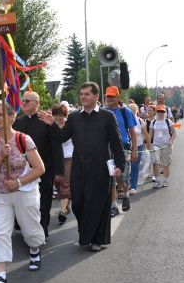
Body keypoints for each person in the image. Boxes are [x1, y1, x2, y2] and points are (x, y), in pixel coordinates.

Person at [39, 82, 125, 252]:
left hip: (100, 168)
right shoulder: (74, 117)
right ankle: (87, 233)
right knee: (78, 203)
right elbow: (62, 137)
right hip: (79, 167)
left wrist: (120, 165)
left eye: (87, 94)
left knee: (98, 204)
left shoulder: (107, 116)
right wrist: (52, 124)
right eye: (81, 94)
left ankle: (97, 240)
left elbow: (117, 143)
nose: (83, 97)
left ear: (96, 96)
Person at [0, 100, 46, 283]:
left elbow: (40, 168)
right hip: (0, 195)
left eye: (1, 114)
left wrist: (18, 182)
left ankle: (34, 249)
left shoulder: (23, 139)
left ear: (11, 117)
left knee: (30, 230)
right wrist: (0, 156)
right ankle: (1, 276)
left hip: (24, 192)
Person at [13, 91, 64, 237]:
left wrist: (59, 171)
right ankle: (26, 229)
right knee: (24, 202)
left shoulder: (46, 120)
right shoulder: (17, 122)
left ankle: (41, 231)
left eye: (27, 101)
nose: (24, 103)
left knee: (42, 201)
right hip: (22, 171)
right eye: (23, 101)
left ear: (37, 103)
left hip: (44, 170)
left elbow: (56, 145)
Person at [103, 86, 137, 215]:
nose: (109, 99)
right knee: (111, 176)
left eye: (112, 96)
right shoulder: (102, 112)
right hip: (107, 148)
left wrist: (134, 150)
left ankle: (126, 195)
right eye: (108, 96)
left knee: (123, 175)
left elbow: (132, 132)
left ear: (118, 97)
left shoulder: (125, 111)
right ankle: (113, 205)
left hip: (123, 148)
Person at [52, 103, 73, 225]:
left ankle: (62, 211)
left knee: (65, 183)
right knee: (57, 182)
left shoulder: (70, 125)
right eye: (56, 115)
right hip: (55, 159)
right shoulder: (51, 126)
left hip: (69, 158)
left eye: (60, 115)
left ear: (65, 115)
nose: (58, 117)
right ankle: (66, 204)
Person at [149, 105, 176, 188]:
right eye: (159, 111)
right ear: (156, 112)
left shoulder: (168, 121)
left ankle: (165, 180)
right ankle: (157, 181)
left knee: (165, 164)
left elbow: (174, 133)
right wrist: (149, 145)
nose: (160, 113)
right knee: (155, 162)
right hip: (156, 145)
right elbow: (150, 135)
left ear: (165, 112)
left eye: (162, 111)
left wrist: (171, 141)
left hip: (166, 145)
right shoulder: (153, 122)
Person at [128, 103, 152, 194]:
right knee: (128, 166)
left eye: (134, 111)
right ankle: (128, 183)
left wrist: (149, 147)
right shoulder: (125, 120)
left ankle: (133, 186)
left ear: (136, 111)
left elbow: (146, 135)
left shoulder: (140, 121)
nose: (133, 112)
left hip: (138, 145)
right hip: (127, 146)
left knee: (135, 165)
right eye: (131, 111)